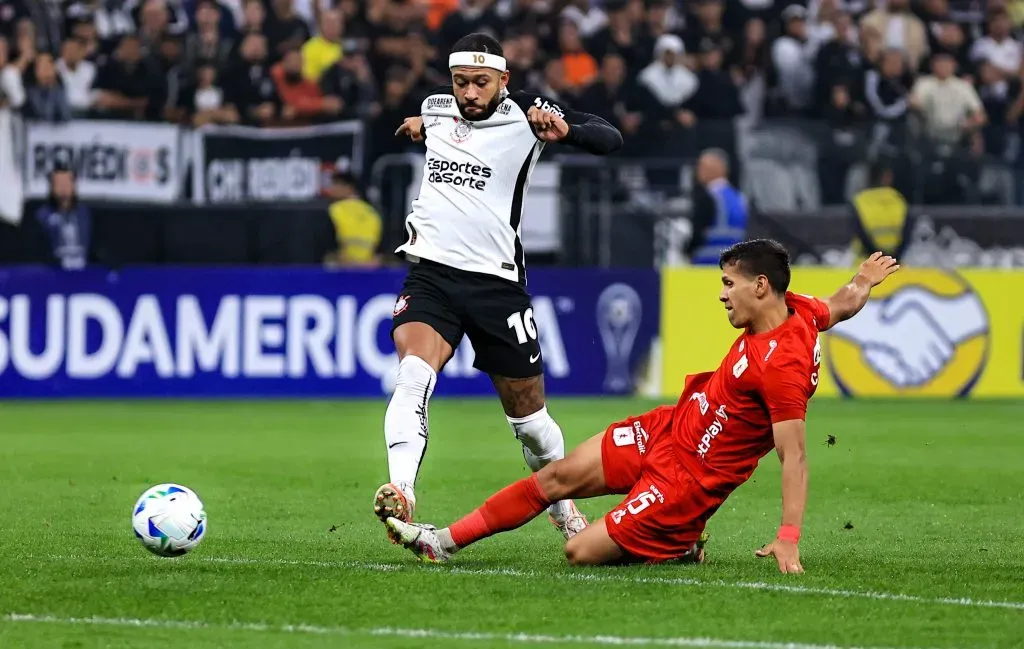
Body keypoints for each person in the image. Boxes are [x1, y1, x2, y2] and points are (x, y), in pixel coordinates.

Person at [385, 240, 901, 571]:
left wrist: (788, 537)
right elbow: (842, 303)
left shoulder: (782, 365)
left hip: (686, 481)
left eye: (729, 284)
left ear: (760, 286)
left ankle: (678, 542)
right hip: (670, 427)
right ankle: (442, 542)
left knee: (579, 553)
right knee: (555, 478)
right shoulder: (802, 309)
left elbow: (795, 458)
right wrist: (864, 280)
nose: (722, 296)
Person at [374, 32, 623, 543]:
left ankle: (563, 504)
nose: (469, 93)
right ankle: (401, 491)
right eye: (461, 81)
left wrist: (564, 129)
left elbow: (610, 139)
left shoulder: (527, 116)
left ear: (503, 81)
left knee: (531, 423)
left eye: (481, 83)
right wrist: (423, 124)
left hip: (497, 287)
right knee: (413, 377)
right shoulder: (436, 107)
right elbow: (439, 123)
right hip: (432, 276)